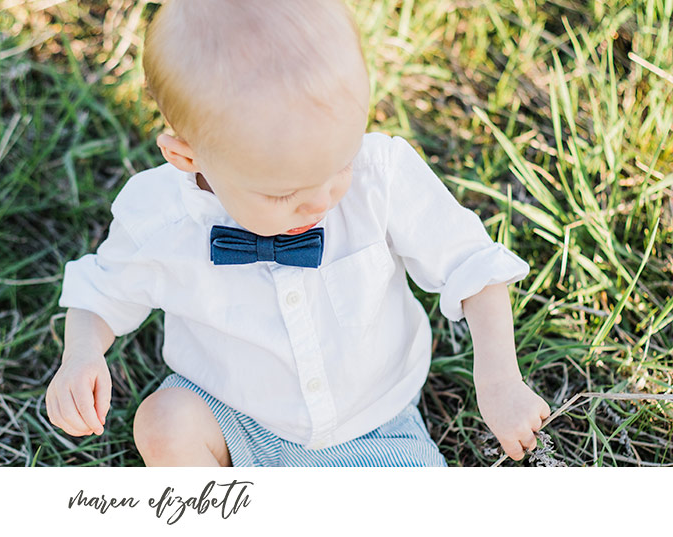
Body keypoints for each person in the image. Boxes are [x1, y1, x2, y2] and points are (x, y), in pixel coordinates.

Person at [46, 0, 551, 466]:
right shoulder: (158, 217)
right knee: (162, 421)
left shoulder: (381, 178)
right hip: (232, 416)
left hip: (376, 424)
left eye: (341, 163)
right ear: (188, 157)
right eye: (283, 193)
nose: (322, 199)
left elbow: (473, 266)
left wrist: (500, 379)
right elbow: (100, 293)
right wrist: (82, 353)